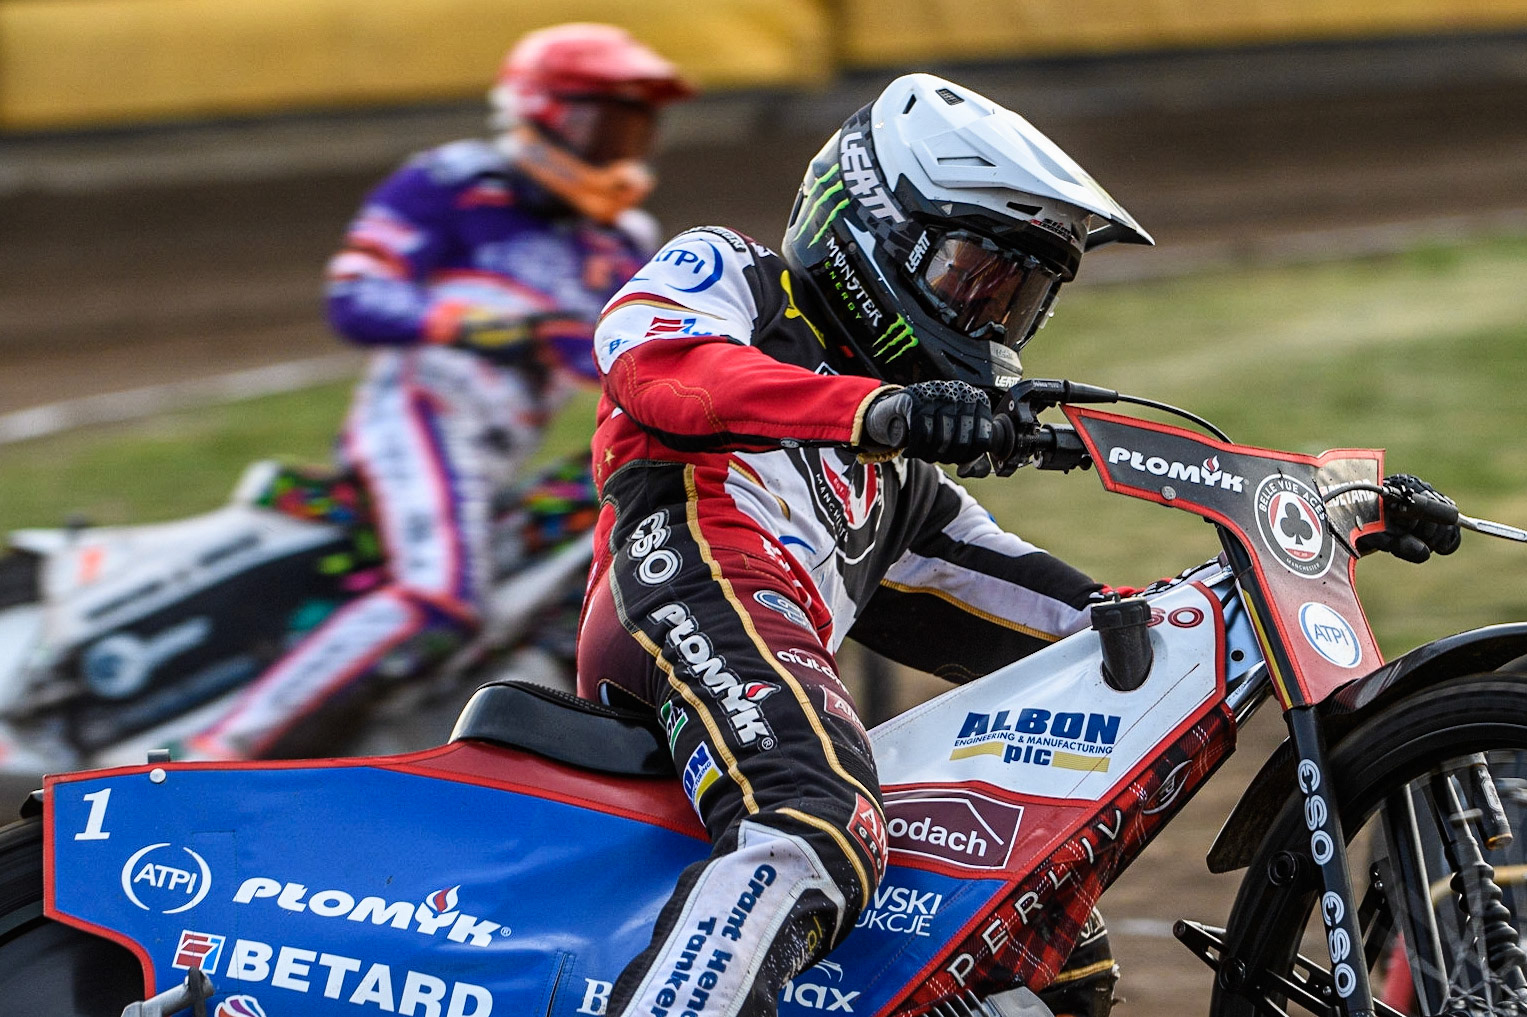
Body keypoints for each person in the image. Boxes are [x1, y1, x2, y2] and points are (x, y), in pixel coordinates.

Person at [575, 73, 1462, 1017]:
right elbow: (664, 369)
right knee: (816, 818)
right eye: (972, 276)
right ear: (870, 226)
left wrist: (1281, 566)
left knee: (1035, 933)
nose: (993, 318)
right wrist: (886, 410)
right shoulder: (732, 275)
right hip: (678, 587)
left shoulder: (899, 486)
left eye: (1019, 297)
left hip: (775, 635)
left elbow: (1068, 619)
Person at [188, 23, 692, 760]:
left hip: (497, 456)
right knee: (442, 595)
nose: (619, 143)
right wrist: (488, 327)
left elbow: (637, 357)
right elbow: (355, 295)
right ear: (542, 114)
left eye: (634, 125)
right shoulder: (452, 182)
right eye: (603, 121)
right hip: (419, 413)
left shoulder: (620, 240)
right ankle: (216, 754)